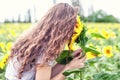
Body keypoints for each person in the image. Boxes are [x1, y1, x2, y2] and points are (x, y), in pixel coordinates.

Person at [5, 3, 86, 80]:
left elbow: (45, 75)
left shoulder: (38, 40)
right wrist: (70, 68)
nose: (73, 32)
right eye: (73, 27)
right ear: (64, 29)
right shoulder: (45, 49)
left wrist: (69, 59)